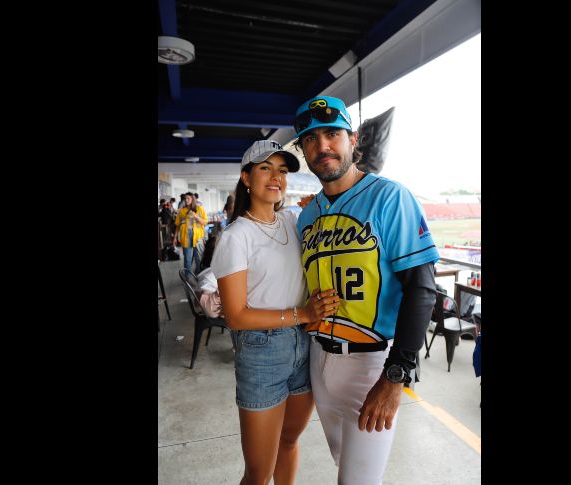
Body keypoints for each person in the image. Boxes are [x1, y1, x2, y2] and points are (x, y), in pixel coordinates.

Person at [291, 95, 439, 485]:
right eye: (309, 139)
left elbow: (422, 290)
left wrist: (396, 377)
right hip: (318, 360)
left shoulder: (391, 197)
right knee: (344, 464)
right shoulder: (307, 214)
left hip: (371, 365)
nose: (321, 146)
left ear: (353, 139)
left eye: (332, 134)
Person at [211, 139, 340, 485]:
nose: (275, 177)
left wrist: (319, 205)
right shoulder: (236, 237)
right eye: (265, 168)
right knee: (258, 474)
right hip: (261, 351)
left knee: (289, 441)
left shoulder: (293, 220)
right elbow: (235, 316)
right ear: (246, 178)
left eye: (281, 171)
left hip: (304, 345)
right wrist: (302, 313)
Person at [172, 193, 207, 274]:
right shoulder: (182, 211)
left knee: (198, 258)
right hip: (186, 236)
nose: (186, 200)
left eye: (188, 198)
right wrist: (175, 238)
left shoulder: (199, 209)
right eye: (185, 198)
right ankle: (187, 277)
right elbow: (177, 225)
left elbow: (205, 222)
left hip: (198, 237)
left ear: (192, 199)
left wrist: (196, 216)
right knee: (187, 259)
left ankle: (198, 275)